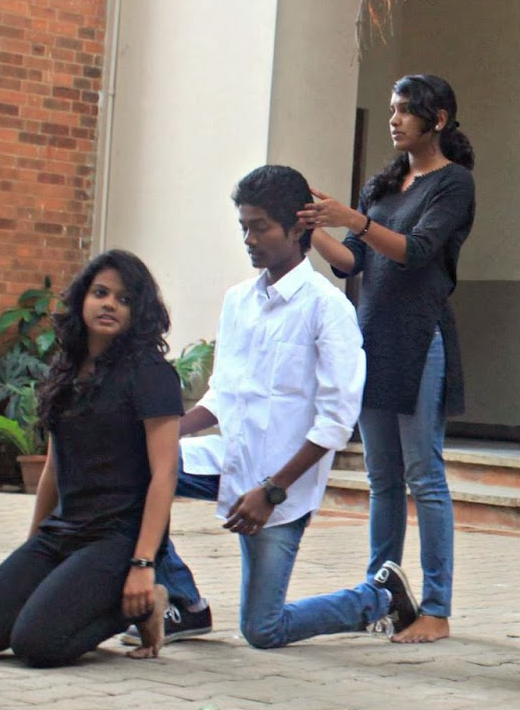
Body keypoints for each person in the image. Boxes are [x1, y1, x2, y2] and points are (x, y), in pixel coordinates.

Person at [147, 166, 415, 650]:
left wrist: (271, 491)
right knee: (135, 465)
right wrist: (165, 434)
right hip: (228, 461)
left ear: (297, 229)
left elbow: (336, 422)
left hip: (281, 487)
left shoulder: (327, 309)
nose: (249, 240)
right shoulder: (238, 302)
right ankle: (184, 603)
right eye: (243, 227)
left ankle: (378, 598)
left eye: (261, 227)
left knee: (262, 630)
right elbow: (222, 395)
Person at [299, 74, 476, 645]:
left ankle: (437, 609)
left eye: (404, 110)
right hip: (371, 339)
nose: (394, 120)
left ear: (438, 119)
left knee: (424, 475)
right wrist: (310, 228)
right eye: (392, 109)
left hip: (421, 339)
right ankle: (381, 596)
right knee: (382, 479)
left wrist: (354, 219)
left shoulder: (454, 184)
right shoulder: (384, 185)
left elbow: (416, 252)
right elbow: (350, 263)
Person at [0, 251, 179, 666]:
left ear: (138, 312)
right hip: (62, 531)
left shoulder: (151, 373)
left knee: (37, 644)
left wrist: (144, 562)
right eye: (101, 293)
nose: (110, 305)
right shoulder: (65, 369)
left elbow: (164, 474)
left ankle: (145, 605)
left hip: (117, 537)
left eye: (124, 299)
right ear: (82, 299)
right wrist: (32, 547)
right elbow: (53, 468)